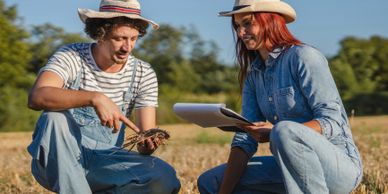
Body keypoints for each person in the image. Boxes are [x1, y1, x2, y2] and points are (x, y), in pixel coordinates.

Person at [197, 0, 363, 193]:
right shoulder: (254, 75)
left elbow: (334, 121)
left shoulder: (304, 57)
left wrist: (277, 131)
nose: (240, 33)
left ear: (270, 20)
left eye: (248, 23)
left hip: (338, 168)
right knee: (211, 182)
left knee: (284, 131)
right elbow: (245, 140)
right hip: (290, 167)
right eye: (237, 26)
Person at [27, 0, 181, 193]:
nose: (127, 47)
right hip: (55, 160)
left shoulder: (144, 73)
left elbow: (144, 143)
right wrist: (95, 97)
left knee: (164, 177)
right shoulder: (72, 56)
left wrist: (148, 143)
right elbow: (37, 96)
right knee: (54, 118)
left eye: (133, 39)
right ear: (99, 34)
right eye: (119, 38)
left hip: (104, 161)